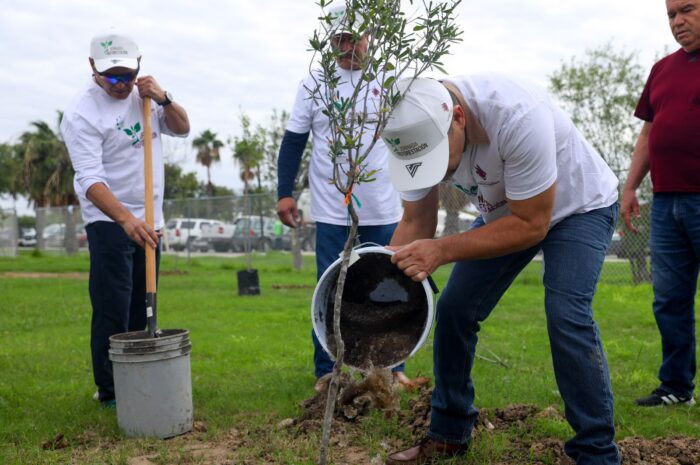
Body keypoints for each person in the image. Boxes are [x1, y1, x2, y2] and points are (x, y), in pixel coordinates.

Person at [381, 76, 620, 465]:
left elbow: (531, 225)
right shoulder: (411, 131)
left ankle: (595, 452)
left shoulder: (517, 116)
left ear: (457, 117)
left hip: (578, 208)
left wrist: (441, 251)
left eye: (438, 158)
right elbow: (415, 223)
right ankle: (449, 434)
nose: (436, 172)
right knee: (456, 309)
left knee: (566, 314)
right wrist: (383, 286)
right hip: (507, 211)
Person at [276, 5, 426, 392]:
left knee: (393, 284)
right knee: (331, 286)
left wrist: (418, 194)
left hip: (383, 206)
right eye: (338, 40)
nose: (345, 47)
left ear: (368, 38)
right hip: (331, 207)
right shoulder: (314, 84)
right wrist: (284, 193)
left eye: (352, 39)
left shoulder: (388, 81)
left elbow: (411, 139)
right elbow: (294, 141)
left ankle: (392, 367)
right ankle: (328, 369)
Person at [60, 30, 190, 407]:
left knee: (142, 304)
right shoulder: (82, 113)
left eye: (128, 75)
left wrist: (164, 98)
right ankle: (111, 392)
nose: (121, 84)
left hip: (151, 219)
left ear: (139, 67)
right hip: (108, 219)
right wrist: (124, 220)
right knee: (112, 307)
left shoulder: (145, 97)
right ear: (92, 69)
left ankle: (139, 378)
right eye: (112, 76)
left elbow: (182, 128)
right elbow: (90, 180)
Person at [622, 0, 700, 408]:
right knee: (669, 298)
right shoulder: (662, 70)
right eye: (671, 15)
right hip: (666, 203)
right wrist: (631, 186)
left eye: (686, 10)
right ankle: (676, 387)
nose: (677, 21)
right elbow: (648, 134)